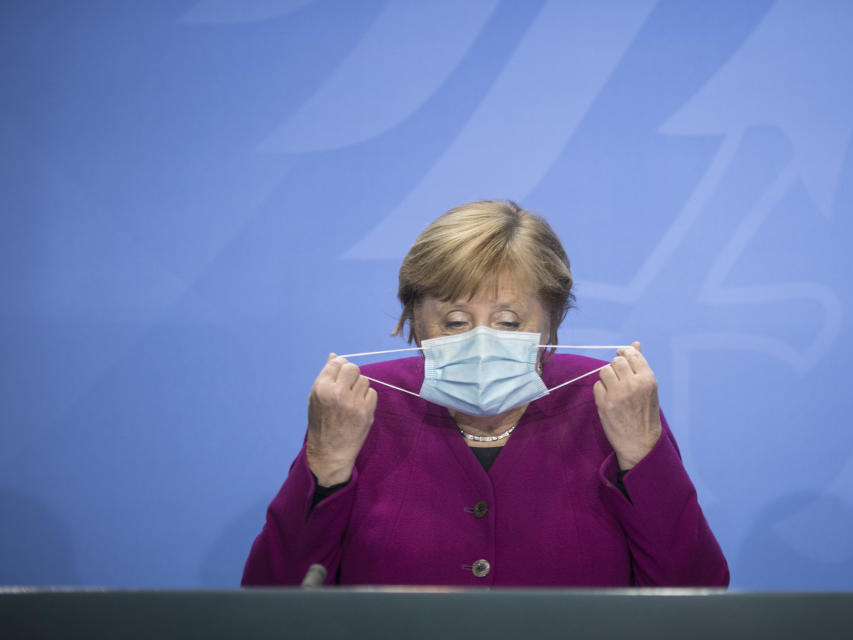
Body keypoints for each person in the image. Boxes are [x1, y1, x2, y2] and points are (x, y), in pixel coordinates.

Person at [242, 200, 729, 587]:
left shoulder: (609, 399)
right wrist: (325, 465)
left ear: (551, 321)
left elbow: (696, 590)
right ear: (415, 319)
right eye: (454, 321)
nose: (480, 340)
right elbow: (271, 599)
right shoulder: (363, 405)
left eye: (508, 321)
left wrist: (643, 455)